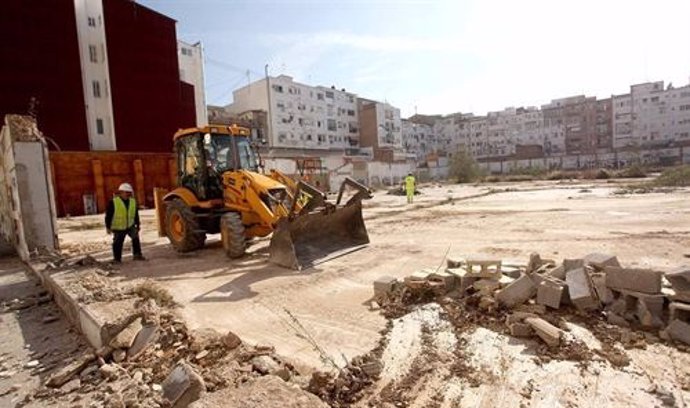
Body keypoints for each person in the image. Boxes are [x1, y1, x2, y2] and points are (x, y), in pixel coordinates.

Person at [105, 183, 145, 263]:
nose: (128, 194)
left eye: (129, 192)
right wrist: (108, 227)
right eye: (126, 192)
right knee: (117, 243)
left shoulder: (133, 202)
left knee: (135, 238)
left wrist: (138, 224)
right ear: (121, 192)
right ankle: (117, 259)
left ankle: (137, 255)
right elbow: (108, 216)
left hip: (130, 225)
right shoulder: (113, 202)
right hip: (118, 227)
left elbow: (135, 214)